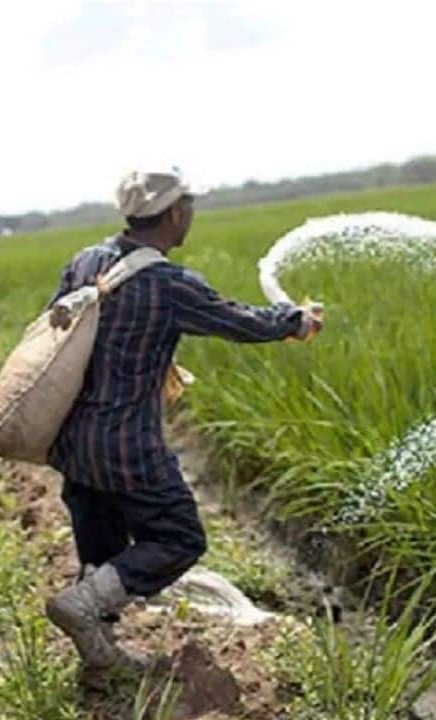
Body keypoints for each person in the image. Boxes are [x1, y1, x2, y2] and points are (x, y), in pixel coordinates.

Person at [43, 166, 323, 671]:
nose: (190, 215)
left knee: (102, 544)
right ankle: (82, 606)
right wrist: (296, 321)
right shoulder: (166, 282)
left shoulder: (85, 262)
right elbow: (236, 320)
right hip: (127, 444)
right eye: (189, 206)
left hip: (74, 440)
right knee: (178, 537)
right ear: (175, 213)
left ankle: (98, 655)